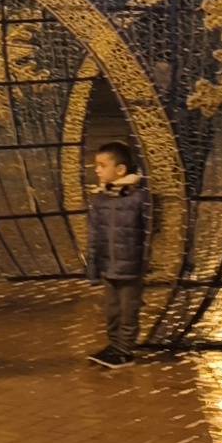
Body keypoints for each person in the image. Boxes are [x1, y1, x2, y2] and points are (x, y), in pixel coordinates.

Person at [85, 140, 153, 368]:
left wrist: (147, 262)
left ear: (121, 169)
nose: (97, 170)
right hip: (109, 267)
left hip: (130, 267)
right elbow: (94, 237)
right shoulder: (100, 200)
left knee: (128, 310)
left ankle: (125, 350)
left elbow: (150, 231)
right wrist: (94, 271)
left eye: (102, 165)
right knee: (111, 310)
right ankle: (114, 345)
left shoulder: (138, 198)